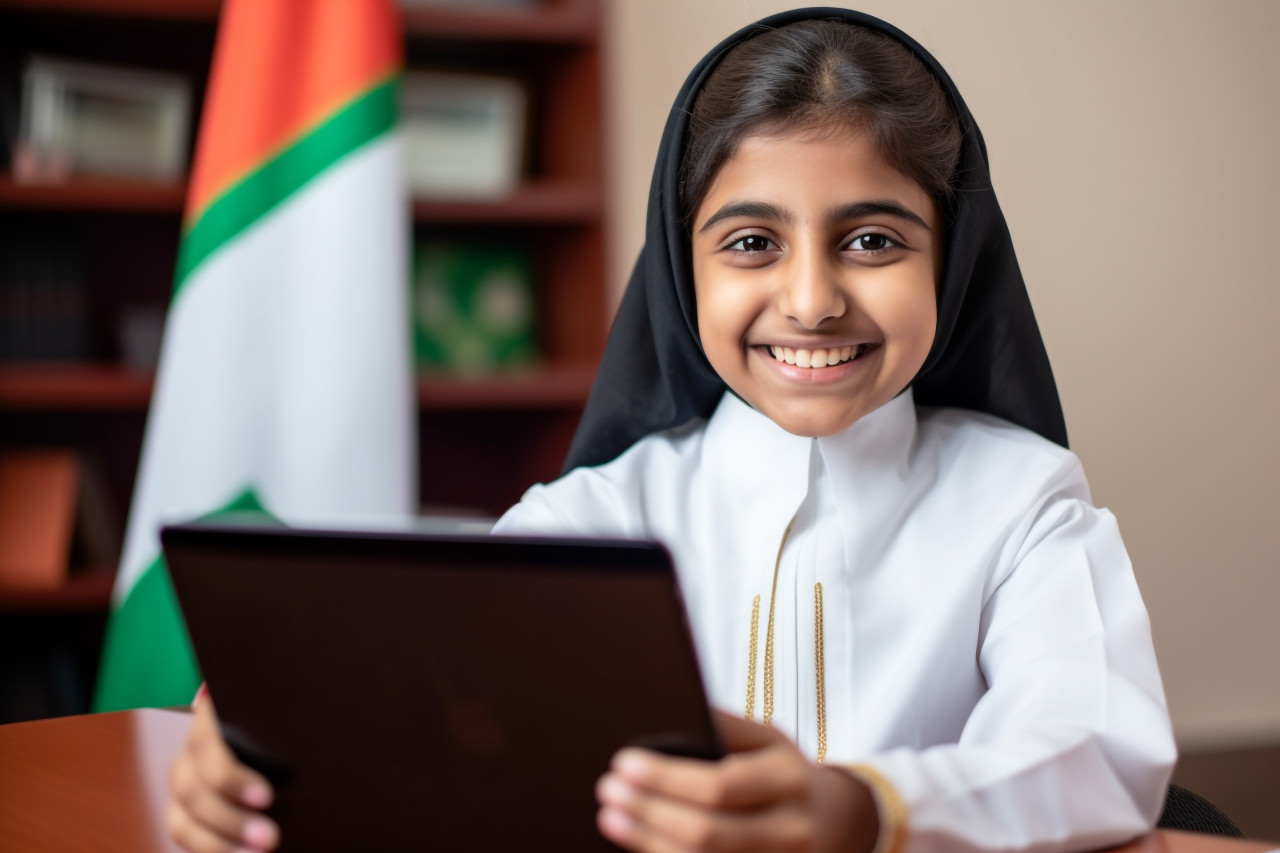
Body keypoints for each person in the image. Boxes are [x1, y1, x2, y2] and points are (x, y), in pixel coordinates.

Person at [167, 8, 1176, 853]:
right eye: (750, 242)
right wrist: (253, 743)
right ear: (680, 267)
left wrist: (862, 809)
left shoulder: (1022, 499)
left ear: (952, 266)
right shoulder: (599, 512)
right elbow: (424, 702)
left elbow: (1091, 744)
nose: (812, 299)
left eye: (871, 240)